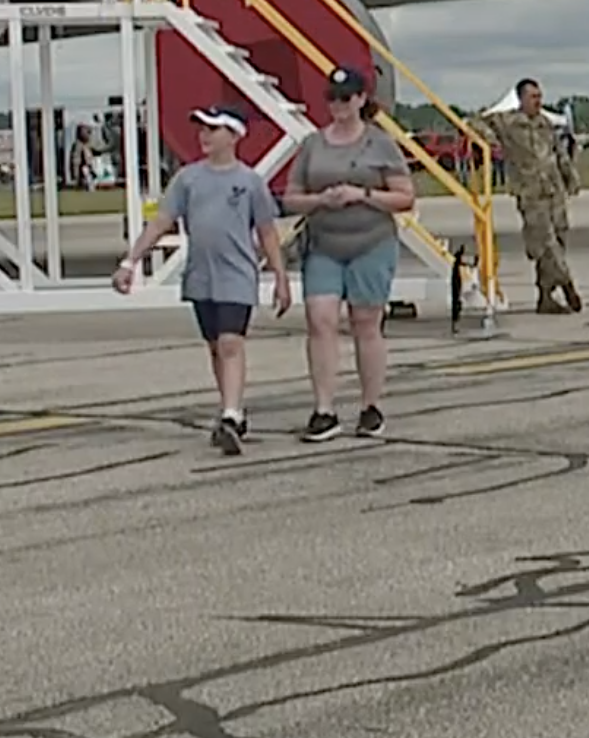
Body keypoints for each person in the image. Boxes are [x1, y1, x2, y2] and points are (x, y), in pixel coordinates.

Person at [111, 106, 293, 453]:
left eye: (213, 129)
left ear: (235, 135)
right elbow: (162, 221)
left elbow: (267, 232)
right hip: (201, 276)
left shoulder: (250, 182)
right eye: (202, 129)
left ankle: (231, 413)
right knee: (215, 347)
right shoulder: (188, 179)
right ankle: (229, 405)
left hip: (237, 275)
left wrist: (280, 276)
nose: (204, 135)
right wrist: (131, 260)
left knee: (230, 343)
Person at [283, 66, 416, 441]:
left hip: (370, 240)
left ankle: (370, 405)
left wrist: (363, 195)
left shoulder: (379, 144)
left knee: (365, 321)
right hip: (325, 241)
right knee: (320, 318)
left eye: (346, 98)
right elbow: (291, 197)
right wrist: (319, 199)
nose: (338, 106)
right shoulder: (313, 144)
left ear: (361, 99)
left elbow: (406, 196)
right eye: (332, 99)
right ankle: (323, 408)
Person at [479, 77, 580, 314]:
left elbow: (558, 152)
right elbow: (476, 122)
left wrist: (570, 176)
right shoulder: (508, 122)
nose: (538, 101)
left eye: (539, 96)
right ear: (521, 99)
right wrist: (492, 142)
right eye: (533, 97)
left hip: (553, 190)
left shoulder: (545, 123)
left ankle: (545, 296)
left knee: (560, 238)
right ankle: (567, 284)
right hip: (530, 192)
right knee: (545, 243)